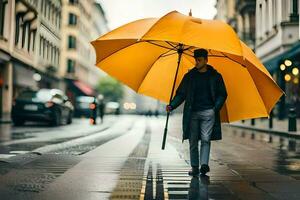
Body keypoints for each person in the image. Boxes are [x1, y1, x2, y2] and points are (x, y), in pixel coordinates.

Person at [166, 48, 227, 176]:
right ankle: (195, 167)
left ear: (206, 60)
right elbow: (181, 94)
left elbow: (222, 94)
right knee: (193, 141)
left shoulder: (216, 76)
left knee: (205, 139)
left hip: (209, 113)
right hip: (192, 113)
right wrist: (172, 105)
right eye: (196, 60)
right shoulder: (189, 76)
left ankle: (204, 165)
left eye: (199, 60)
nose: (196, 63)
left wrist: (215, 108)